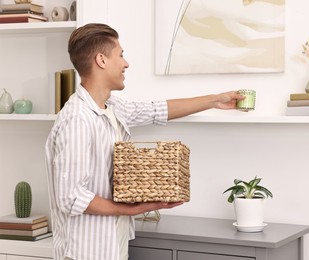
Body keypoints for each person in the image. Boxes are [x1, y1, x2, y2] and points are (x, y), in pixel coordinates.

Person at [45, 23, 244, 260]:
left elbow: (158, 110)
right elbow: (71, 197)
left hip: (111, 247)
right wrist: (134, 209)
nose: (126, 63)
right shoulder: (77, 119)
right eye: (120, 54)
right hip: (84, 252)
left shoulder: (114, 108)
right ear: (101, 60)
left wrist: (215, 100)